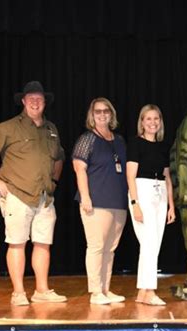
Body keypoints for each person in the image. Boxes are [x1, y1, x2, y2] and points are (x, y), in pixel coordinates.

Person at [0, 81, 67, 306]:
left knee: (43, 243)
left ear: (45, 103)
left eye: (40, 99)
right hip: (18, 194)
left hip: (45, 197)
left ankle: (42, 290)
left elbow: (59, 157)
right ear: (24, 101)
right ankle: (18, 292)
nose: (36, 102)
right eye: (31, 98)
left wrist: (54, 181)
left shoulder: (51, 129)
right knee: (17, 243)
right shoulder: (8, 127)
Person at [72, 98, 128, 305]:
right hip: (96, 202)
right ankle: (95, 292)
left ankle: (105, 288)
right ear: (91, 115)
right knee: (96, 246)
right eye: (98, 111)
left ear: (111, 114)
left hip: (118, 201)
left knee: (110, 249)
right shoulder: (87, 139)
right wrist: (85, 196)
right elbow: (79, 169)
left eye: (106, 111)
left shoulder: (119, 140)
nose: (102, 114)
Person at [126, 104, 175, 306]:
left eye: (156, 119)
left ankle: (142, 292)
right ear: (142, 122)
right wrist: (135, 203)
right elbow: (130, 176)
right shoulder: (135, 143)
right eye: (148, 119)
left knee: (153, 245)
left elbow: (167, 176)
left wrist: (171, 205)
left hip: (160, 193)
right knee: (148, 243)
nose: (153, 122)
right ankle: (150, 291)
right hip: (142, 191)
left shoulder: (163, 146)